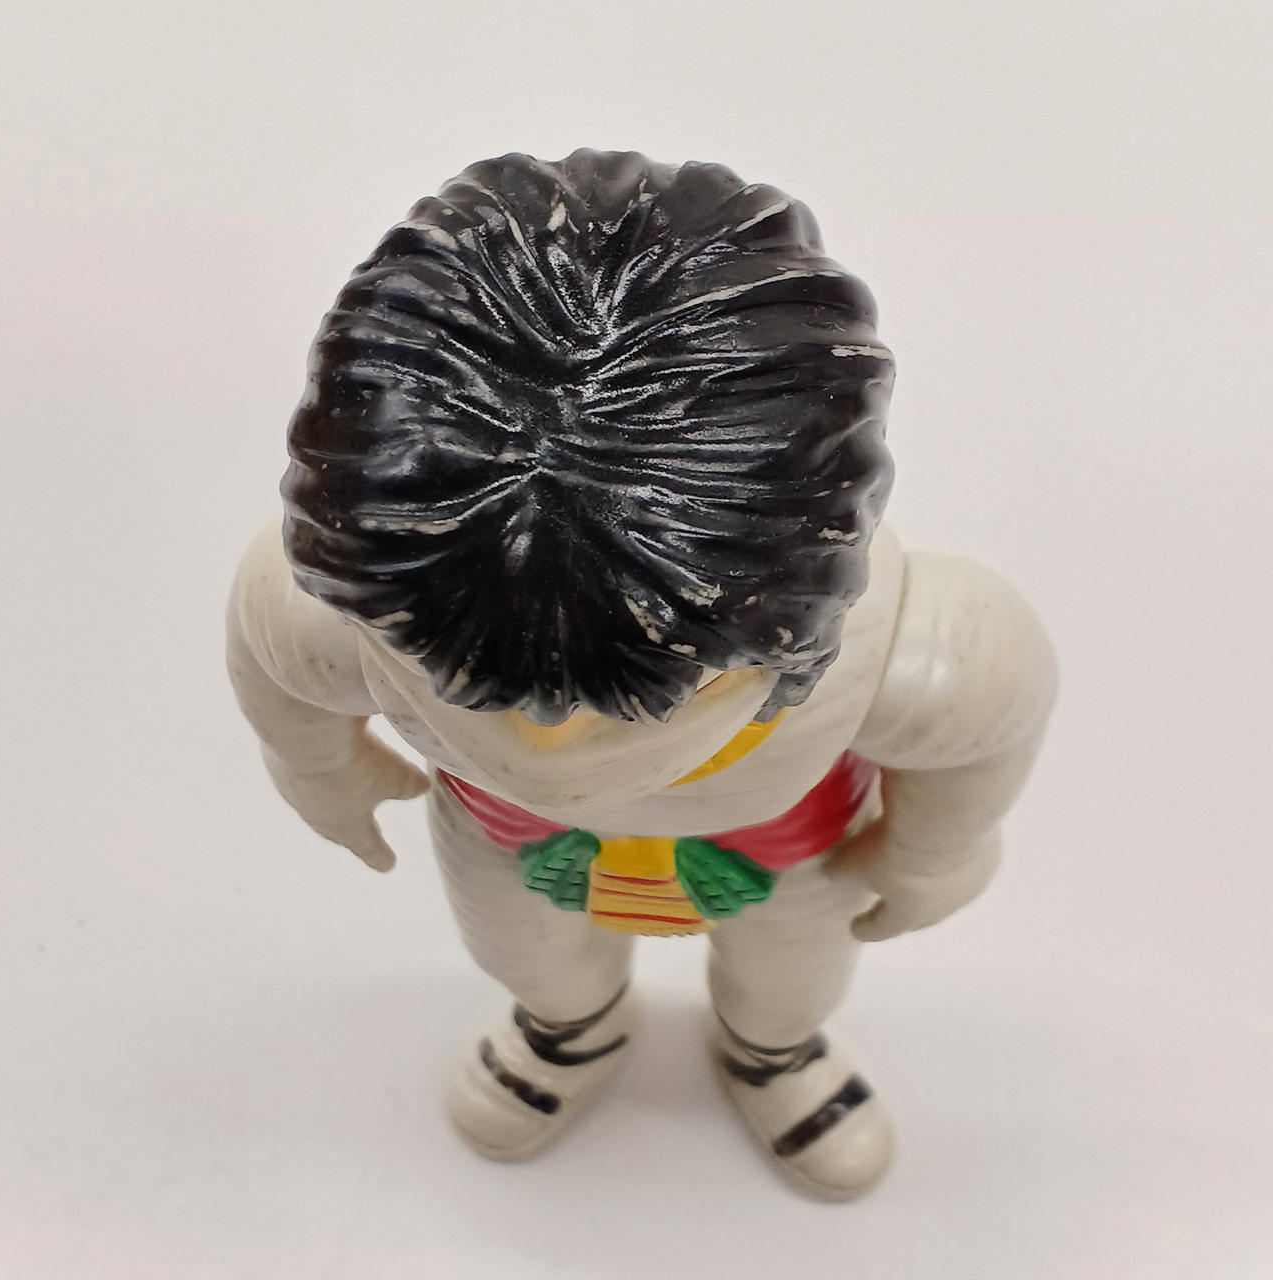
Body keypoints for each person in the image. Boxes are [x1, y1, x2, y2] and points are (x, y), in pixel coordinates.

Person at [226, 150, 1057, 1200]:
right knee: (528, 953)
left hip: (786, 842)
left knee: (790, 974)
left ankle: (772, 1050)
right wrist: (320, 767)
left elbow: (988, 721)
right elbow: (279, 670)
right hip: (506, 839)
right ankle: (565, 1029)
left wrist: (933, 847)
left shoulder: (909, 651)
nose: (547, 743)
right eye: (463, 684)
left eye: (641, 700)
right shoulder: (357, 598)